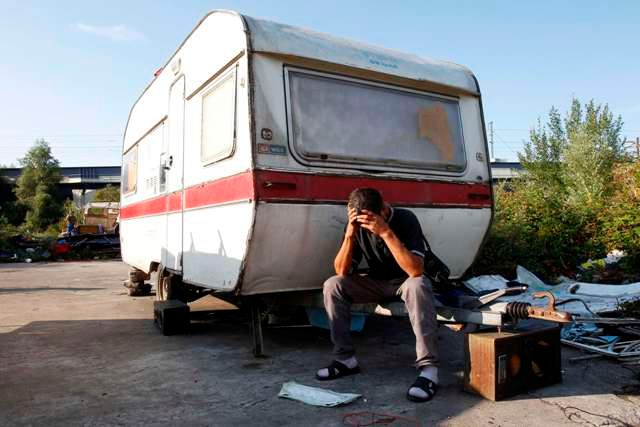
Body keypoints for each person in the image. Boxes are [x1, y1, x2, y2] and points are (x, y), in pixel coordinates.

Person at [316, 188, 439, 402]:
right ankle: (345, 359)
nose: (368, 226)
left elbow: (415, 270)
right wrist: (350, 234)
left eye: (372, 219)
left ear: (383, 209)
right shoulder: (357, 225)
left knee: (418, 285)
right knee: (332, 285)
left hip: (405, 282)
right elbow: (342, 271)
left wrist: (385, 232)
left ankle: (428, 370)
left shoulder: (405, 219)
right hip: (376, 282)